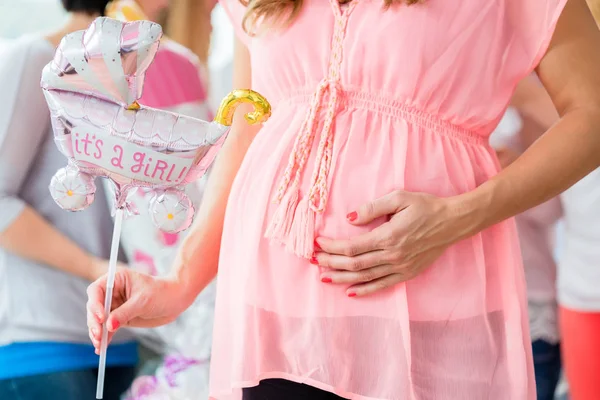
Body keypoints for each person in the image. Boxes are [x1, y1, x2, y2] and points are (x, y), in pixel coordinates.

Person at [87, 0, 600, 398]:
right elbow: (251, 124)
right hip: (279, 310)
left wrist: (459, 215)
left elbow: (592, 115)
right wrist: (180, 282)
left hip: (430, 299)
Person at [0, 1, 140, 399]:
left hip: (119, 341)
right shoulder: (36, 60)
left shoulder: (128, 79)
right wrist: (98, 269)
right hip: (43, 344)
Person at [491, 75, 563, 400]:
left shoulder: (529, 101)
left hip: (530, 312)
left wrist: (519, 176)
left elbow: (552, 212)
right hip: (460, 310)